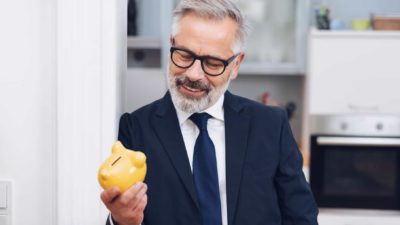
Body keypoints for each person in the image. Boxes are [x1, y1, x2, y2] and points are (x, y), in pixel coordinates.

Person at [100, 0, 319, 225]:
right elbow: (125, 212)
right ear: (171, 45)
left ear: (236, 65)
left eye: (213, 63)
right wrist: (121, 221)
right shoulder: (135, 129)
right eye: (184, 55)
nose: (194, 74)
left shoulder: (271, 126)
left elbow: (302, 218)